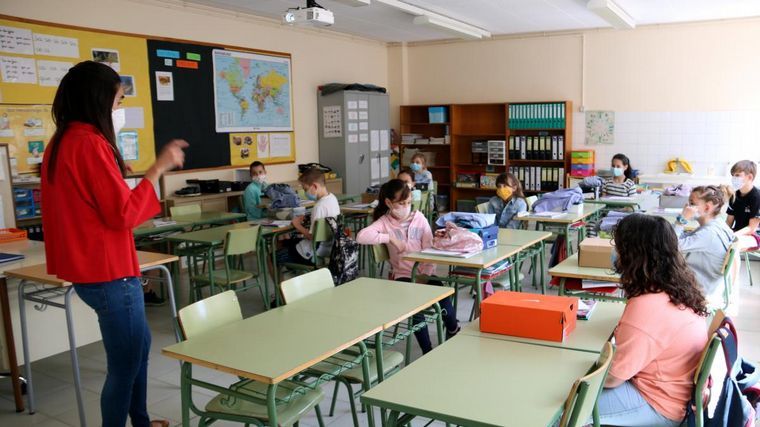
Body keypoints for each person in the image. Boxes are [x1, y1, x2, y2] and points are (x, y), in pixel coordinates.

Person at [42, 61, 187, 427]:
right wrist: (158, 168)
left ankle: (140, 420)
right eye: (119, 99)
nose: (120, 107)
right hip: (109, 274)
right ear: (99, 99)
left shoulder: (63, 141)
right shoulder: (89, 143)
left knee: (138, 350)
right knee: (124, 366)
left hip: (93, 271)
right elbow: (123, 214)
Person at [595, 214, 708, 426]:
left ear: (632, 254)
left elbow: (613, 377)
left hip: (658, 404)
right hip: (674, 392)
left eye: (618, 246)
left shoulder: (646, 307)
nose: (615, 252)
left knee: (565, 402)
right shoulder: (677, 288)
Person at [356, 179, 459, 353]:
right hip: (402, 276)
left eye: (409, 202)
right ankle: (427, 350)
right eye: (401, 203)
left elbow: (429, 250)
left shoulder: (419, 218)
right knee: (416, 308)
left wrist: (424, 275)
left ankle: (453, 329)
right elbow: (361, 236)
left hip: (424, 272)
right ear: (389, 203)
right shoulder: (384, 222)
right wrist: (389, 238)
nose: (406, 207)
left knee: (444, 295)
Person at [675, 185, 736, 309]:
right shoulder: (717, 223)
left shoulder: (708, 234)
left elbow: (671, 244)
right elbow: (681, 238)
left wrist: (682, 219)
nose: (687, 207)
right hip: (708, 282)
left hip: (700, 287)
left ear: (707, 207)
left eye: (692, 203)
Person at [276, 167, 340, 267]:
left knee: (271, 258)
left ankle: (291, 270)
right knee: (282, 243)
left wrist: (297, 225)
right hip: (330, 247)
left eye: (305, 189)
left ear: (314, 186)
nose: (305, 192)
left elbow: (312, 237)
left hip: (312, 251)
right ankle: (295, 268)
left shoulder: (318, 207)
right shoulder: (333, 198)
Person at [726, 160, 760, 249]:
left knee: (732, 245)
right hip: (737, 232)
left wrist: (733, 235)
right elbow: (728, 222)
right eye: (733, 175)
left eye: (737, 175)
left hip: (755, 236)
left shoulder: (757, 197)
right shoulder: (734, 196)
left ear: (750, 177)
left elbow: (751, 228)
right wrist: (724, 233)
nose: (734, 178)